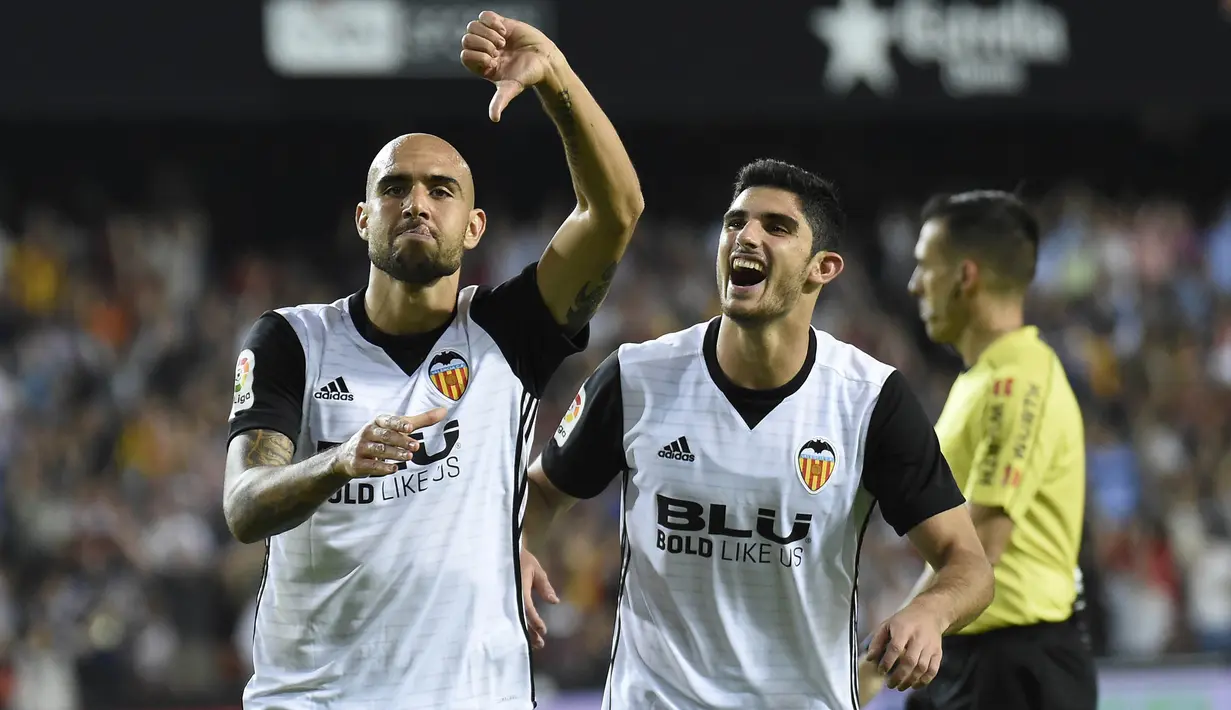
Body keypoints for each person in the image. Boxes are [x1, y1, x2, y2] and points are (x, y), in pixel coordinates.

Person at [221, 11, 643, 709]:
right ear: (364, 218)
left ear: (473, 226)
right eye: (394, 188)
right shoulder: (291, 341)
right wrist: (337, 460)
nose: (416, 202)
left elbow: (615, 213)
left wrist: (554, 78)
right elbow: (243, 506)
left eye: (440, 189)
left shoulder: (510, 331)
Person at [519, 159, 994, 710]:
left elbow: (969, 564)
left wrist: (930, 612)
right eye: (734, 222)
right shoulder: (636, 377)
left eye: (777, 227)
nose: (746, 236)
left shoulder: (869, 400)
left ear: (824, 268)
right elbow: (545, 489)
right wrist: (519, 543)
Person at [859, 191, 1097, 709]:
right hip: (972, 652)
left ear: (965, 276)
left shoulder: (1016, 384)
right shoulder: (982, 381)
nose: (913, 284)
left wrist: (879, 660)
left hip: (1015, 668)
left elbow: (981, 545)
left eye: (925, 266)